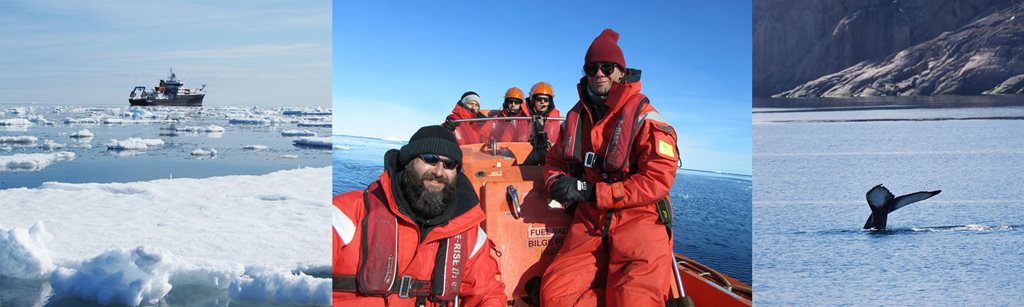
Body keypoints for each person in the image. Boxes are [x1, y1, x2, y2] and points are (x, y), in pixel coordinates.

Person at [540, 28, 681, 306]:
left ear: (621, 72)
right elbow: (554, 161)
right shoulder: (576, 118)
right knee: (554, 297)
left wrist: (592, 192)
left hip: (640, 221)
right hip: (590, 223)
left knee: (633, 301)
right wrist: (555, 182)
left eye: (607, 67)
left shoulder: (647, 120)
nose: (599, 73)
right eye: (592, 68)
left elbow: (657, 180)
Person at [332, 125, 507, 306]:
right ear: (408, 162)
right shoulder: (350, 214)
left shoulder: (468, 232)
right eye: (430, 159)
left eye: (449, 164)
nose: (439, 172)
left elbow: (487, 293)